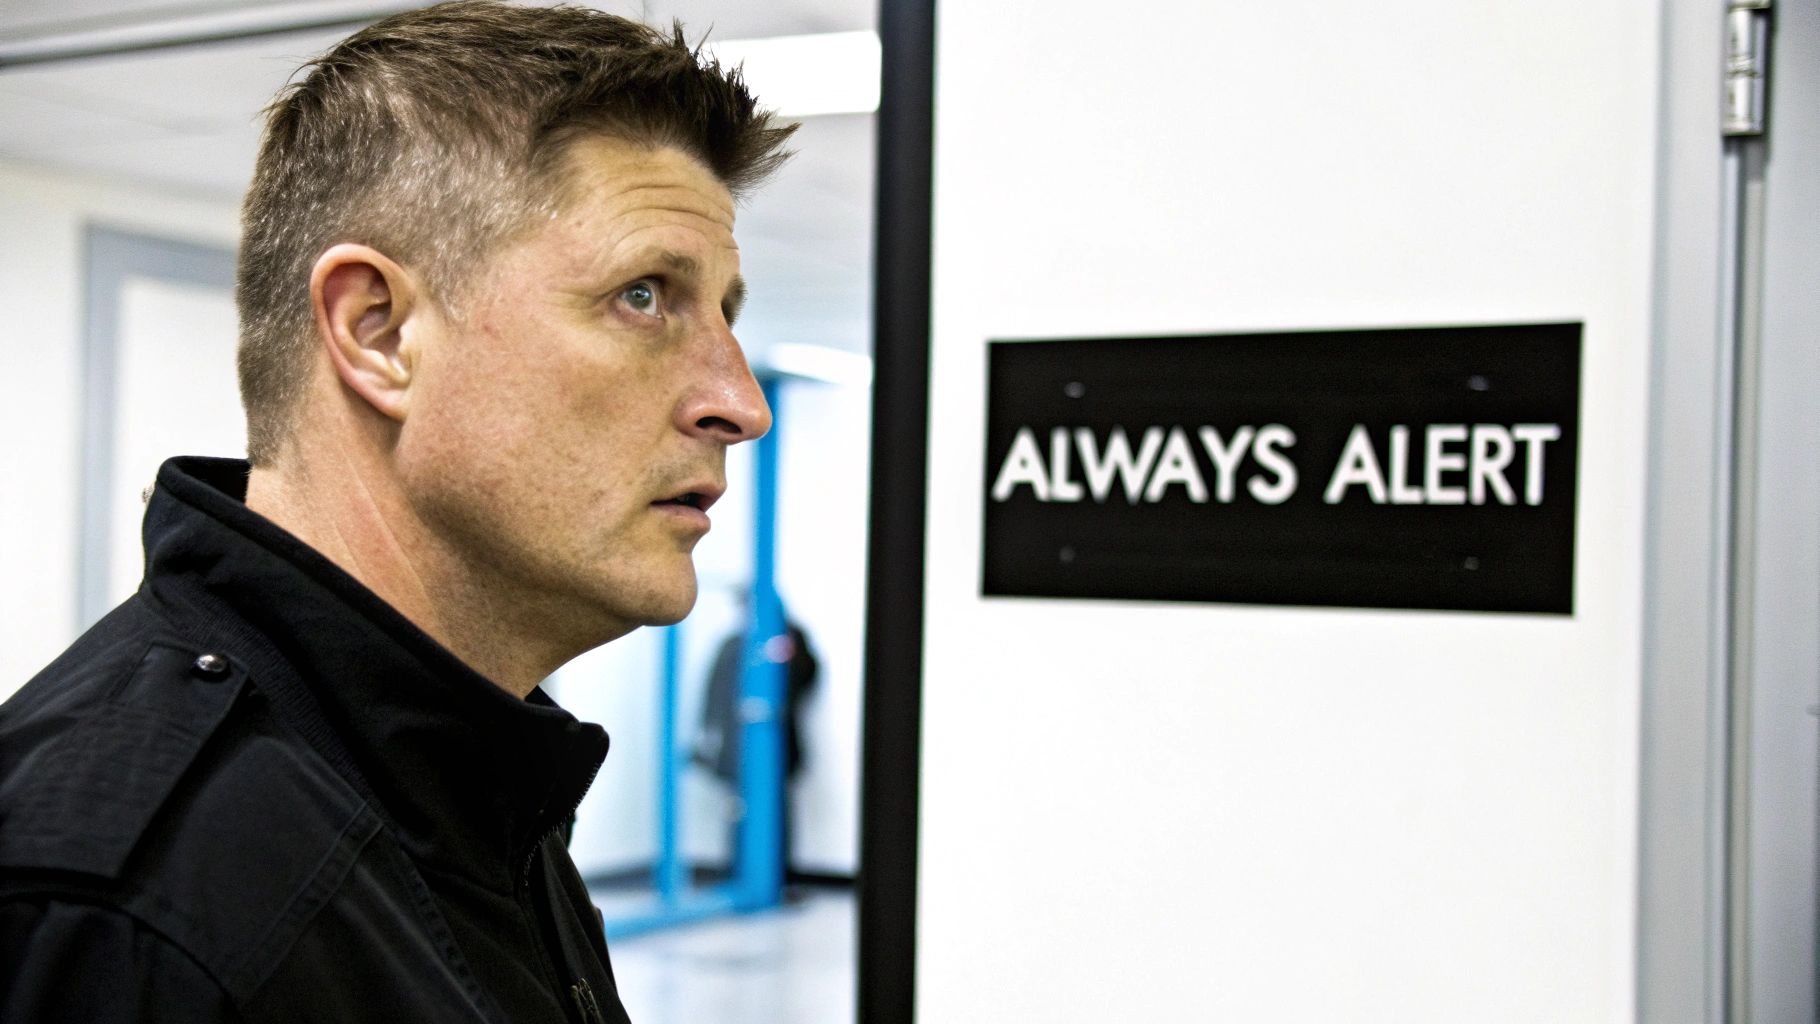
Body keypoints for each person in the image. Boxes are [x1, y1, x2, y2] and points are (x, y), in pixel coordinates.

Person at [0, 3, 794, 1021]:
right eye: (643, 296)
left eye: (723, 313)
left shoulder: (472, 789)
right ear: (378, 332)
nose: (739, 402)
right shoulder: (126, 915)